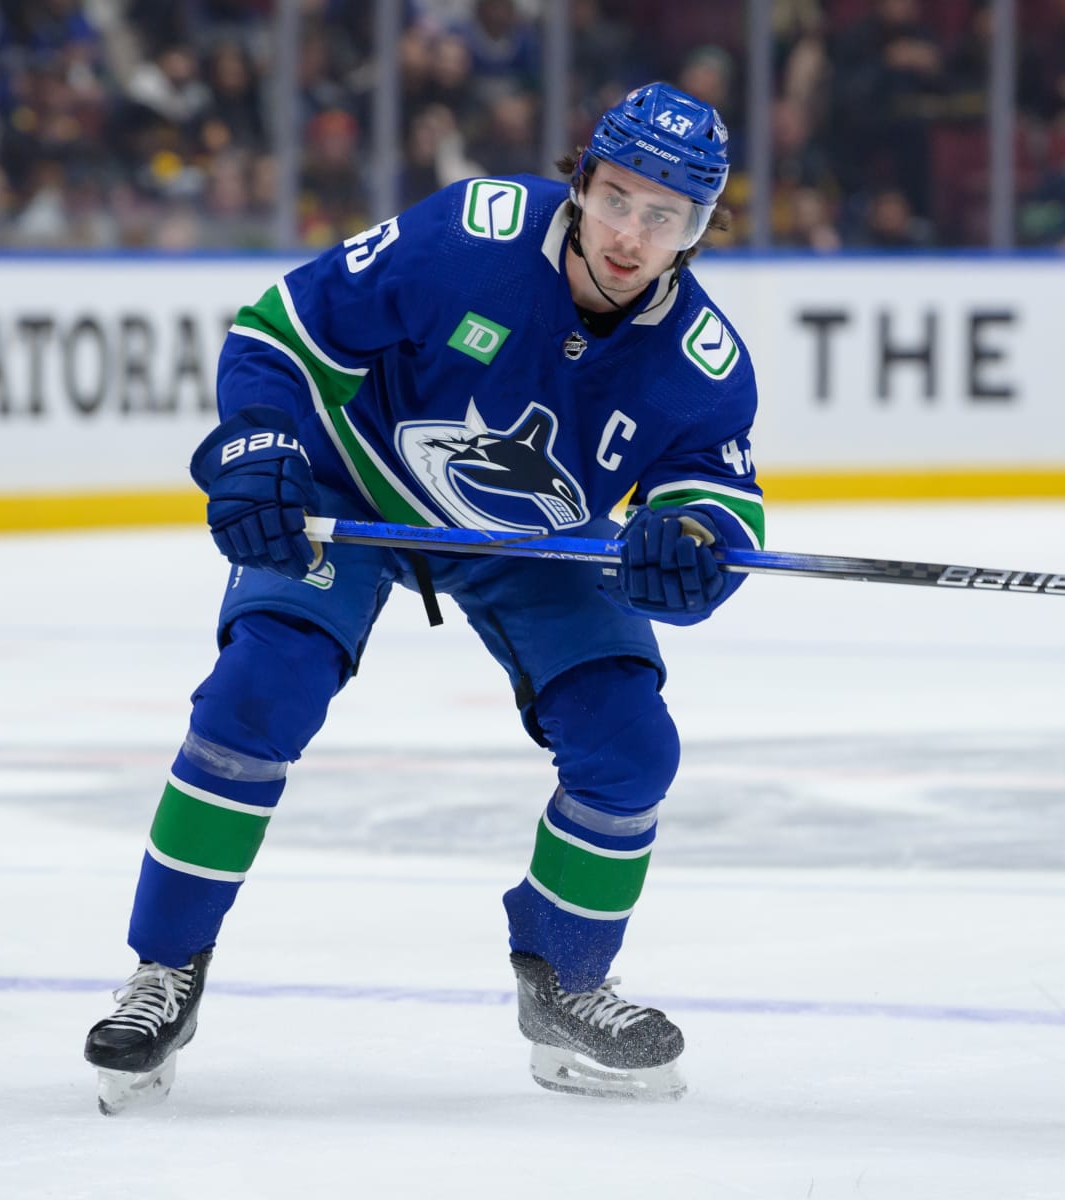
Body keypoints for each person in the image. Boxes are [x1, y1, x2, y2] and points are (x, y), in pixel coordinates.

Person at [82, 82, 762, 1113]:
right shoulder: (472, 236)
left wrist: (695, 542)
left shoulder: (703, 363)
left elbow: (721, 494)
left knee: (632, 749)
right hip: (349, 491)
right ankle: (163, 967)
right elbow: (276, 333)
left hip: (535, 538)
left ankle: (568, 981)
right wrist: (262, 445)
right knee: (255, 697)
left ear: (697, 232)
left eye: (666, 216)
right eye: (619, 198)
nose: (632, 235)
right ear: (582, 182)